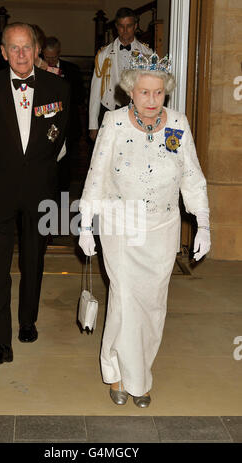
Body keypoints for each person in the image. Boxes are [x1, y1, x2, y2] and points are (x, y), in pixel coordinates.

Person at [78, 52, 211, 407]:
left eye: (158, 93)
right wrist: (87, 225)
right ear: (130, 93)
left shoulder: (178, 124)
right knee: (124, 300)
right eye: (144, 93)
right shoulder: (115, 122)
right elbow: (98, 174)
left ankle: (135, 368)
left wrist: (203, 223)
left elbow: (192, 178)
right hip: (121, 222)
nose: (152, 101)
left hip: (162, 226)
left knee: (152, 305)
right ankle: (124, 375)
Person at [0, 22, 70, 365]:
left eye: (27, 47)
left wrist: (35, 167)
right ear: (3, 52)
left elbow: (60, 136)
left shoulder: (59, 88)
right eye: (14, 47)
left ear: (37, 49)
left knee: (33, 258)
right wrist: (5, 165)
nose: (22, 54)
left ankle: (28, 320)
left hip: (41, 188)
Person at [89, 7, 152, 142]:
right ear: (116, 27)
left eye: (129, 26)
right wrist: (93, 125)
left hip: (138, 110)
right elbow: (95, 91)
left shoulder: (147, 53)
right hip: (109, 108)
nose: (125, 30)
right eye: (121, 26)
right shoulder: (104, 54)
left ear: (135, 26)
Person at [41, 36, 85, 192]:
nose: (51, 61)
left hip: (68, 124)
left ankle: (62, 198)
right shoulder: (36, 69)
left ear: (59, 53)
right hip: (43, 124)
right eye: (47, 57)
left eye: (54, 57)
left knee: (66, 164)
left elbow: (80, 97)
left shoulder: (72, 70)